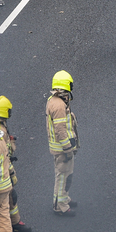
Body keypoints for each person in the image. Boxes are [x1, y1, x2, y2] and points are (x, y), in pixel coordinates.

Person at [0, 95, 31, 232]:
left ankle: (14, 222)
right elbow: (2, 152)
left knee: (11, 195)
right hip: (1, 170)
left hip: (3, 167)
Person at [46, 70, 78, 216]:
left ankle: (64, 198)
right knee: (63, 176)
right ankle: (60, 206)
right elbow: (60, 130)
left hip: (59, 147)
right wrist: (68, 149)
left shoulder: (54, 101)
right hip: (62, 149)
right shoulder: (59, 106)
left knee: (65, 174)